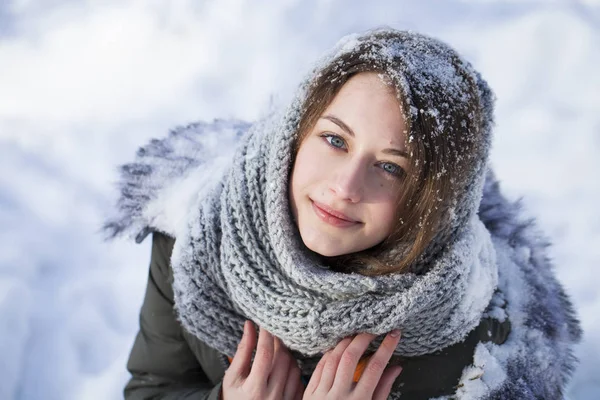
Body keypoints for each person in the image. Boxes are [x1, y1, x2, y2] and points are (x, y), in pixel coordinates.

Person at [105, 28, 582, 399]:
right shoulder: (198, 234)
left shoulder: (482, 332)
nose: (345, 187)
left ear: (432, 200)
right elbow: (153, 386)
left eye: (391, 168)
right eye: (335, 140)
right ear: (298, 130)